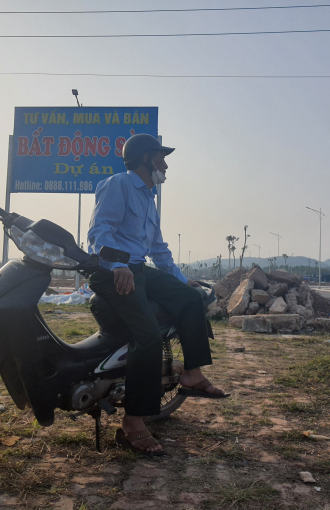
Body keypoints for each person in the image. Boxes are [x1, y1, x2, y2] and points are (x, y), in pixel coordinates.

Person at [87, 134, 228, 455]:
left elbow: (158, 250)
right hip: (112, 273)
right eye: (161, 158)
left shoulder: (148, 197)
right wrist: (116, 264)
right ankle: (133, 423)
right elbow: (99, 232)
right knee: (148, 336)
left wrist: (181, 282)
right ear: (146, 159)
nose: (165, 165)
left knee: (192, 299)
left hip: (138, 270)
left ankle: (191, 374)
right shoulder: (118, 184)